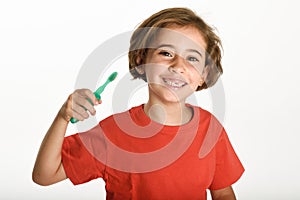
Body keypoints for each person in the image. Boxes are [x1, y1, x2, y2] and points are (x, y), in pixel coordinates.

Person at [32, 7, 244, 200]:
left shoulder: (210, 129)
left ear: (203, 75)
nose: (179, 66)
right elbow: (45, 175)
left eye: (192, 58)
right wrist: (63, 116)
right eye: (166, 53)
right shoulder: (113, 133)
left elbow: (223, 192)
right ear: (141, 62)